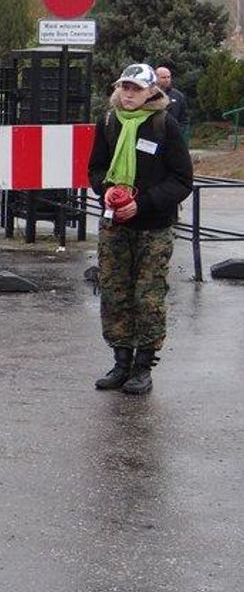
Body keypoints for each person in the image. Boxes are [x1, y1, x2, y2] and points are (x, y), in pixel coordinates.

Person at [88, 63, 192, 395]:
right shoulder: (107, 122)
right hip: (114, 225)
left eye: (136, 88)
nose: (129, 94)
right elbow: (96, 168)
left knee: (148, 296)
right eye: (125, 87)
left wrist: (142, 204)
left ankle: (143, 367)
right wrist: (104, 189)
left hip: (153, 227)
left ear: (151, 91)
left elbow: (182, 180)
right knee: (115, 292)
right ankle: (121, 362)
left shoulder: (165, 125)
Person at [155, 66, 190, 141]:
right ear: (156, 78)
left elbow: (184, 119)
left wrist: (179, 134)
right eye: (163, 77)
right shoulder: (148, 94)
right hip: (154, 137)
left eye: (168, 77)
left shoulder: (178, 96)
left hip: (173, 138)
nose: (167, 80)